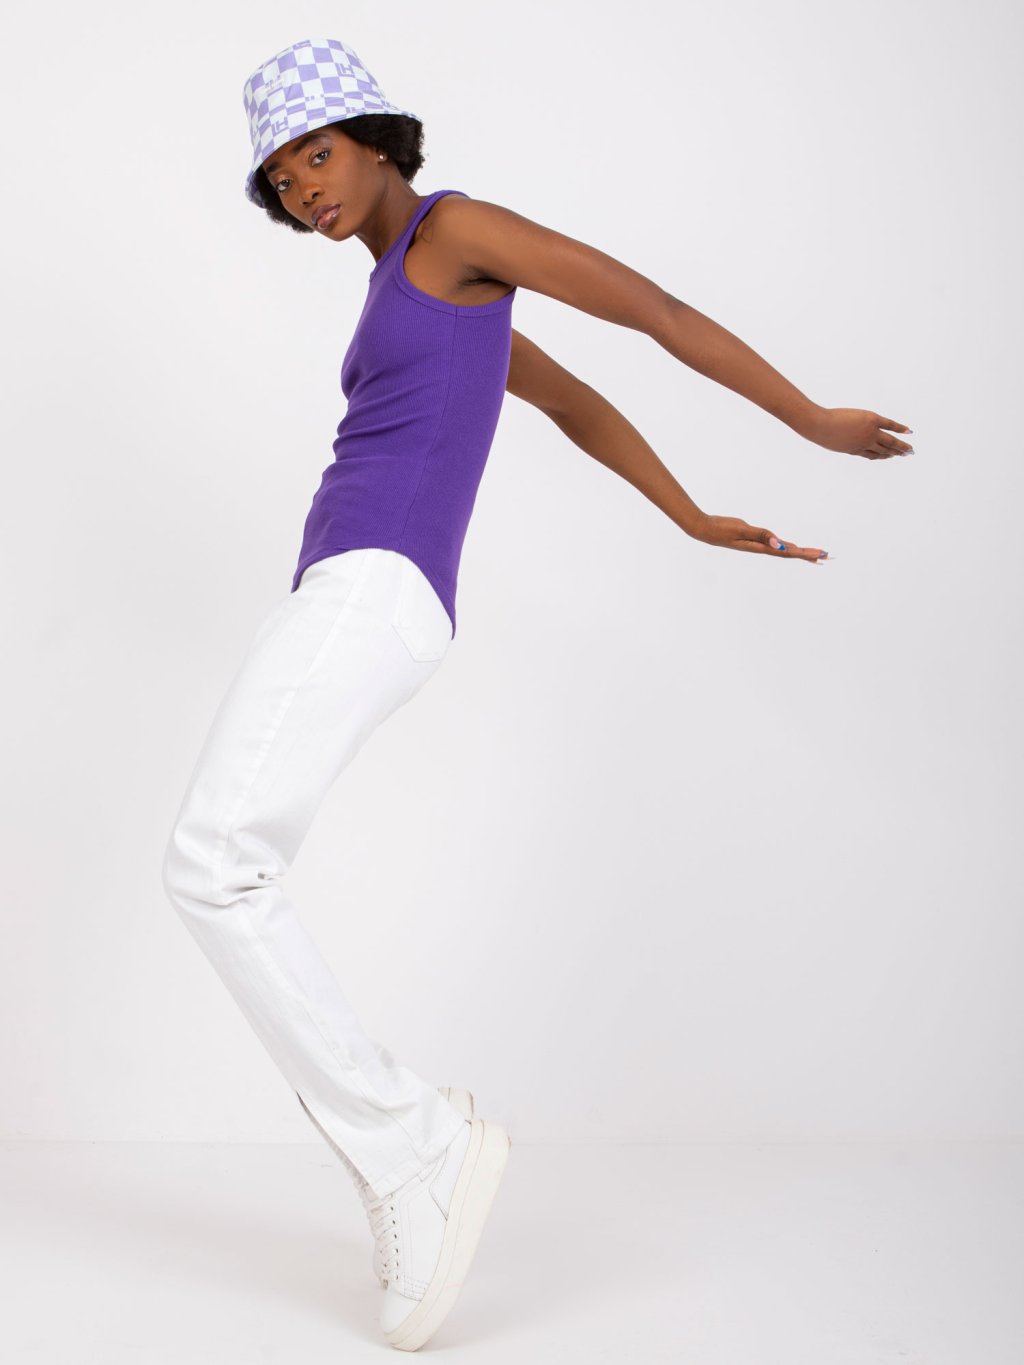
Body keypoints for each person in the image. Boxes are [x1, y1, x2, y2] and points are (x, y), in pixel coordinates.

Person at [161, 35, 913, 1353]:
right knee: (220, 865)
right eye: (280, 177)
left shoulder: (454, 232)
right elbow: (570, 401)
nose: (303, 186)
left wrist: (807, 421)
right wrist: (687, 511)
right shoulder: (417, 291)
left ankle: (415, 1148)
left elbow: (650, 309)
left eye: (318, 153)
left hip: (377, 579)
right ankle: (410, 1143)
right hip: (353, 587)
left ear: (379, 140)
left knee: (212, 865)